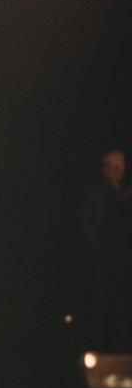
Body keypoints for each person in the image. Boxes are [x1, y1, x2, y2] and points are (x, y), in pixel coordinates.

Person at [79, 147, 132, 352]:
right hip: (103, 265)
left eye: (121, 168)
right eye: (114, 168)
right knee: (102, 313)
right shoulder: (97, 194)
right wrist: (101, 251)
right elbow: (87, 228)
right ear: (105, 169)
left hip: (123, 265)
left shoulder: (125, 195)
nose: (118, 172)